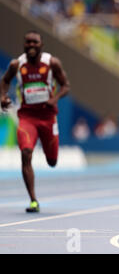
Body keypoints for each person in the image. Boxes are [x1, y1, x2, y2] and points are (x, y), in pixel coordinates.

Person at [0, 31, 70, 213]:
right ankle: (33, 200)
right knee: (26, 153)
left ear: (41, 45)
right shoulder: (17, 64)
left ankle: (51, 158)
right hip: (27, 118)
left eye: (35, 42)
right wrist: (2, 97)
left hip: (48, 118)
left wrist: (54, 100)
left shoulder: (52, 63)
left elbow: (66, 86)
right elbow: (5, 81)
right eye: (28, 42)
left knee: (52, 161)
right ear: (24, 45)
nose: (31, 45)